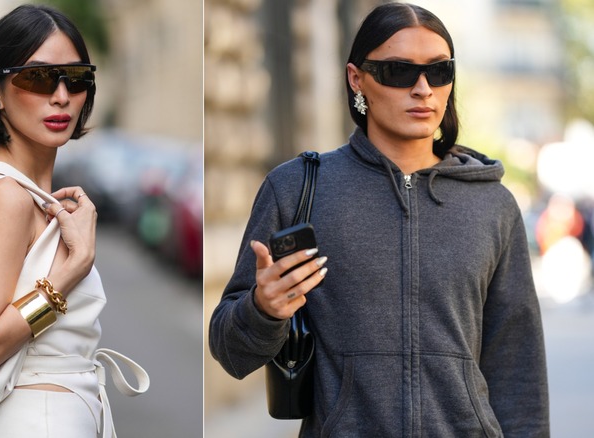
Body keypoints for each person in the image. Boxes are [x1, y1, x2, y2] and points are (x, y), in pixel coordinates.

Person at [209, 3, 549, 437]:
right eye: (399, 72)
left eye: (439, 71)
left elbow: (519, 369)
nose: (423, 89)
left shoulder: (491, 204)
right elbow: (229, 350)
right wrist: (263, 309)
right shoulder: (295, 188)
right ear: (357, 79)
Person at [0, 5, 145, 437]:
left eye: (76, 78)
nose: (61, 95)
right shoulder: (6, 196)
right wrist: (70, 270)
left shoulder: (27, 192)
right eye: (38, 78)